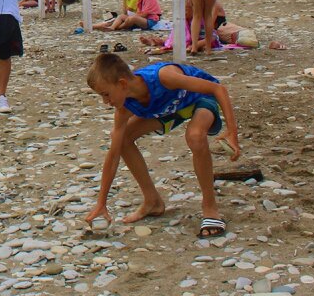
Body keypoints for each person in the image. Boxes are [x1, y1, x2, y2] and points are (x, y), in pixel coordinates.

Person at [85, 53, 241, 238]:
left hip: (200, 98)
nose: (105, 102)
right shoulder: (125, 107)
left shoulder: (163, 77)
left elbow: (218, 89)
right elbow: (113, 155)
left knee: (195, 136)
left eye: (106, 94)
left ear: (122, 84)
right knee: (122, 138)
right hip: (172, 108)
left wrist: (232, 133)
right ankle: (152, 201)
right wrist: (101, 202)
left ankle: (210, 208)